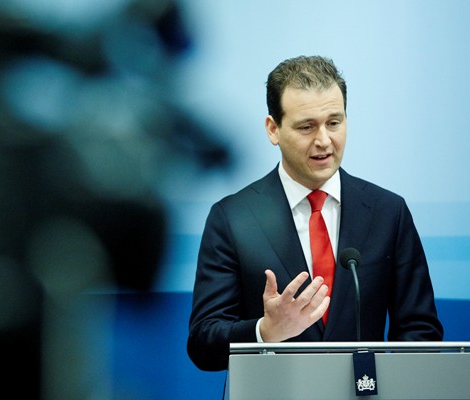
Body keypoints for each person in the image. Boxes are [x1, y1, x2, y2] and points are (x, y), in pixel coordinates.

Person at [187, 55, 443, 372]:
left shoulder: (388, 212)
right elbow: (203, 343)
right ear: (273, 129)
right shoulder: (233, 218)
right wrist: (265, 332)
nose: (324, 141)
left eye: (334, 123)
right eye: (307, 126)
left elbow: (420, 332)